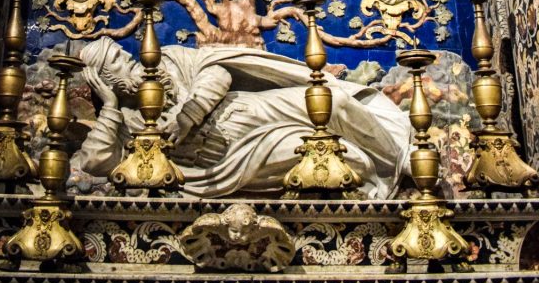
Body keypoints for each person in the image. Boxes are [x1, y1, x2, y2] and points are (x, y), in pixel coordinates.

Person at [76, 37, 412, 199]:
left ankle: (400, 161)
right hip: (234, 161)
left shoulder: (168, 61)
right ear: (103, 79)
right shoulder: (125, 122)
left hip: (248, 109)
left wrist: (186, 114)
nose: (130, 60)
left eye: (123, 53)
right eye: (117, 61)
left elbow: (218, 72)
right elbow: (96, 161)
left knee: (334, 101)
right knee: (352, 164)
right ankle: (376, 169)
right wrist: (108, 107)